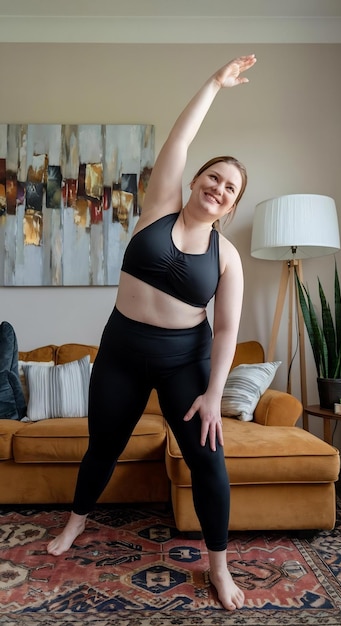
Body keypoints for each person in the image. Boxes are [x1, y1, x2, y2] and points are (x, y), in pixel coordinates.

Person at [47, 54, 257, 611]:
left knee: (208, 460)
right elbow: (181, 138)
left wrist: (213, 396)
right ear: (194, 180)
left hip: (183, 360)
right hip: (121, 350)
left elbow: (230, 329)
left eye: (230, 188)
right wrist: (215, 83)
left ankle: (219, 567)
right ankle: (74, 525)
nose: (218, 186)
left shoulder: (227, 256)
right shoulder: (159, 205)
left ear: (231, 205)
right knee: (103, 447)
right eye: (214, 175)